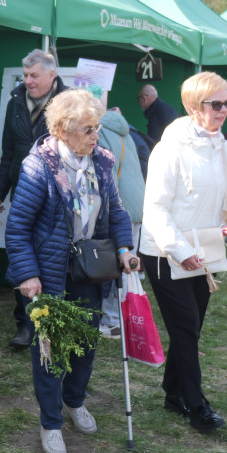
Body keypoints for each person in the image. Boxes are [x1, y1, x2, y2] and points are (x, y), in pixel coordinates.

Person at [5, 89, 136, 453]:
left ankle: (74, 401)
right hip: (50, 274)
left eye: (96, 128)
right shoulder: (39, 166)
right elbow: (17, 229)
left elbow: (118, 213)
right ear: (62, 130)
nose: (96, 136)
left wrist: (125, 249)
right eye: (88, 129)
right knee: (50, 350)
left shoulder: (103, 162)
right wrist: (28, 275)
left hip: (90, 269)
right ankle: (50, 422)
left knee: (87, 344)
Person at [139, 71, 227, 433]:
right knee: (186, 327)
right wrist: (180, 249)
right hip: (165, 251)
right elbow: (155, 209)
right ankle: (195, 402)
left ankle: (174, 391)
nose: (223, 111)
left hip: (207, 248)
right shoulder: (169, 149)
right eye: (215, 104)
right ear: (192, 106)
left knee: (192, 327)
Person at [0, 49, 68, 350]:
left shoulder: (68, 103)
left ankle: (51, 321)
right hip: (21, 187)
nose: (28, 81)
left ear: (52, 75)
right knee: (21, 252)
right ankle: (25, 324)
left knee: (50, 256)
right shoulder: (15, 102)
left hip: (56, 193)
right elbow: (7, 150)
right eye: (25, 75)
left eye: (34, 75)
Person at [94, 106, 145, 339]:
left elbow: (108, 171)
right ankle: (127, 318)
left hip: (121, 205)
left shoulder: (101, 130)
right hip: (138, 202)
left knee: (117, 266)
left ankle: (113, 321)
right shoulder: (125, 130)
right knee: (129, 265)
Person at [137, 83, 179, 148]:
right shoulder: (163, 109)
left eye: (138, 99)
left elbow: (175, 134)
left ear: (144, 98)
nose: (138, 102)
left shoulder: (162, 110)